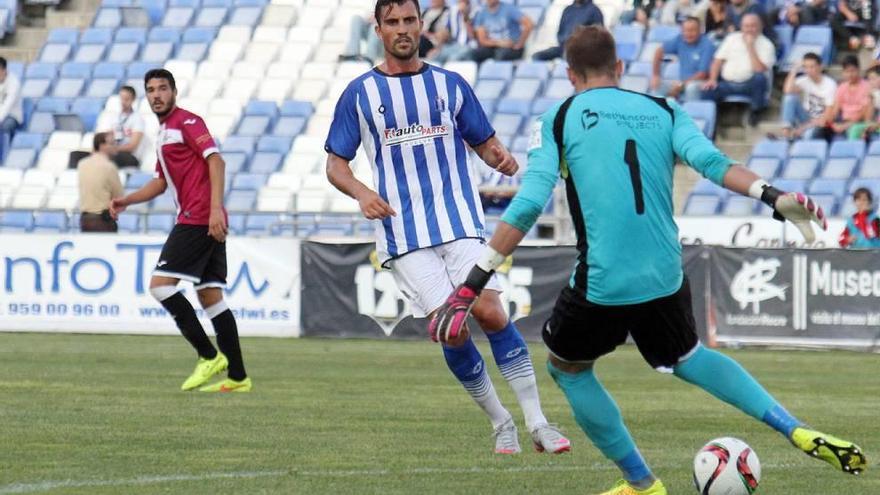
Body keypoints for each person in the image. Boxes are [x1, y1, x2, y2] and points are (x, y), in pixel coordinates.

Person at [430, 25, 866, 495]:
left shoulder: (557, 117)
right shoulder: (664, 109)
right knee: (689, 356)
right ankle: (792, 427)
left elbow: (530, 202)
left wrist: (474, 280)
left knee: (567, 367)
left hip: (604, 280)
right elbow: (713, 163)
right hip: (664, 273)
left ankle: (642, 484)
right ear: (619, 69)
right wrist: (771, 194)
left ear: (570, 74)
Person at [325, 0, 570, 455]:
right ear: (378, 30)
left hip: (460, 222)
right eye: (392, 22)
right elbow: (336, 165)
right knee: (452, 330)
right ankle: (501, 422)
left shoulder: (451, 85)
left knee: (492, 312)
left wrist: (500, 156)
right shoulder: (360, 94)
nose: (402, 29)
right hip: (405, 233)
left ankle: (538, 421)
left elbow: (484, 142)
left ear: (421, 25)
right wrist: (361, 192)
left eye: (409, 20)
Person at [109, 69, 251, 393]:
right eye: (151, 90)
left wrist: (215, 209)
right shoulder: (162, 134)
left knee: (160, 286)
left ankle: (209, 355)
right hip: (203, 217)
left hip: (199, 217)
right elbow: (160, 183)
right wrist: (127, 200)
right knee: (211, 297)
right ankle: (239, 377)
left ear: (174, 92)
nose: (157, 95)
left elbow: (217, 162)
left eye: (162, 88)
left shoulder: (187, 122)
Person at [702, 13, 776, 126]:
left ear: (760, 27)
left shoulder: (767, 44)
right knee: (708, 89)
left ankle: (755, 112)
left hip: (749, 85)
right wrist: (712, 79)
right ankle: (712, 121)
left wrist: (750, 47)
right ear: (741, 27)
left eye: (753, 26)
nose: (749, 29)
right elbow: (717, 61)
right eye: (746, 26)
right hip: (727, 83)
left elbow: (760, 69)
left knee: (760, 78)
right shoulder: (732, 39)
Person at [649, 17, 714, 102]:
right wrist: (656, 75)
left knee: (691, 87)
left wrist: (681, 85)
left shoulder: (707, 45)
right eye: (685, 30)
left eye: (692, 30)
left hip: (701, 83)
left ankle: (690, 113)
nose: (688, 33)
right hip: (682, 82)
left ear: (700, 30)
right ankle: (658, 114)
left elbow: (702, 74)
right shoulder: (679, 39)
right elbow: (659, 51)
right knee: (657, 86)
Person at [779, 52, 836, 140]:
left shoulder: (830, 84)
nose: (808, 70)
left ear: (820, 67)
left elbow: (827, 116)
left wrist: (804, 128)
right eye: (805, 67)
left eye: (812, 67)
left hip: (821, 124)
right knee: (789, 98)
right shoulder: (804, 80)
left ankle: (795, 138)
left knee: (807, 136)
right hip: (807, 118)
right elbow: (787, 90)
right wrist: (794, 70)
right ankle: (786, 133)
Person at [78, 132, 123, 233]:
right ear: (102, 146)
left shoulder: (82, 164)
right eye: (112, 143)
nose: (116, 146)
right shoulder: (109, 167)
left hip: (85, 218)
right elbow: (119, 197)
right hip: (102, 219)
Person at [532, 0, 604, 61]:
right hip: (563, 47)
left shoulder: (594, 11)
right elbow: (560, 32)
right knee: (537, 57)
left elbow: (598, 37)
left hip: (582, 49)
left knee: (567, 55)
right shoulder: (568, 10)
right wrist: (564, 42)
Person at [826, 55, 872, 138]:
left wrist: (846, 125)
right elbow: (835, 111)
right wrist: (833, 124)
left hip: (859, 123)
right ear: (843, 72)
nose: (850, 74)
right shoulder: (841, 87)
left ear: (858, 70)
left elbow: (864, 114)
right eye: (847, 71)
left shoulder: (867, 87)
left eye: (853, 71)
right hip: (843, 121)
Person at [105, 85, 145, 169]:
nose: (123, 102)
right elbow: (108, 137)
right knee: (78, 155)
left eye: (126, 99)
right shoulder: (115, 117)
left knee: (110, 157)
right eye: (121, 98)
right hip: (115, 152)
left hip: (130, 156)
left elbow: (132, 146)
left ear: (133, 99)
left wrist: (114, 148)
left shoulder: (137, 119)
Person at [0, 57, 23, 142]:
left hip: (12, 116)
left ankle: (5, 152)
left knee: (5, 126)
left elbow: (7, 105)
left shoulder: (14, 83)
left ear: (4, 70)